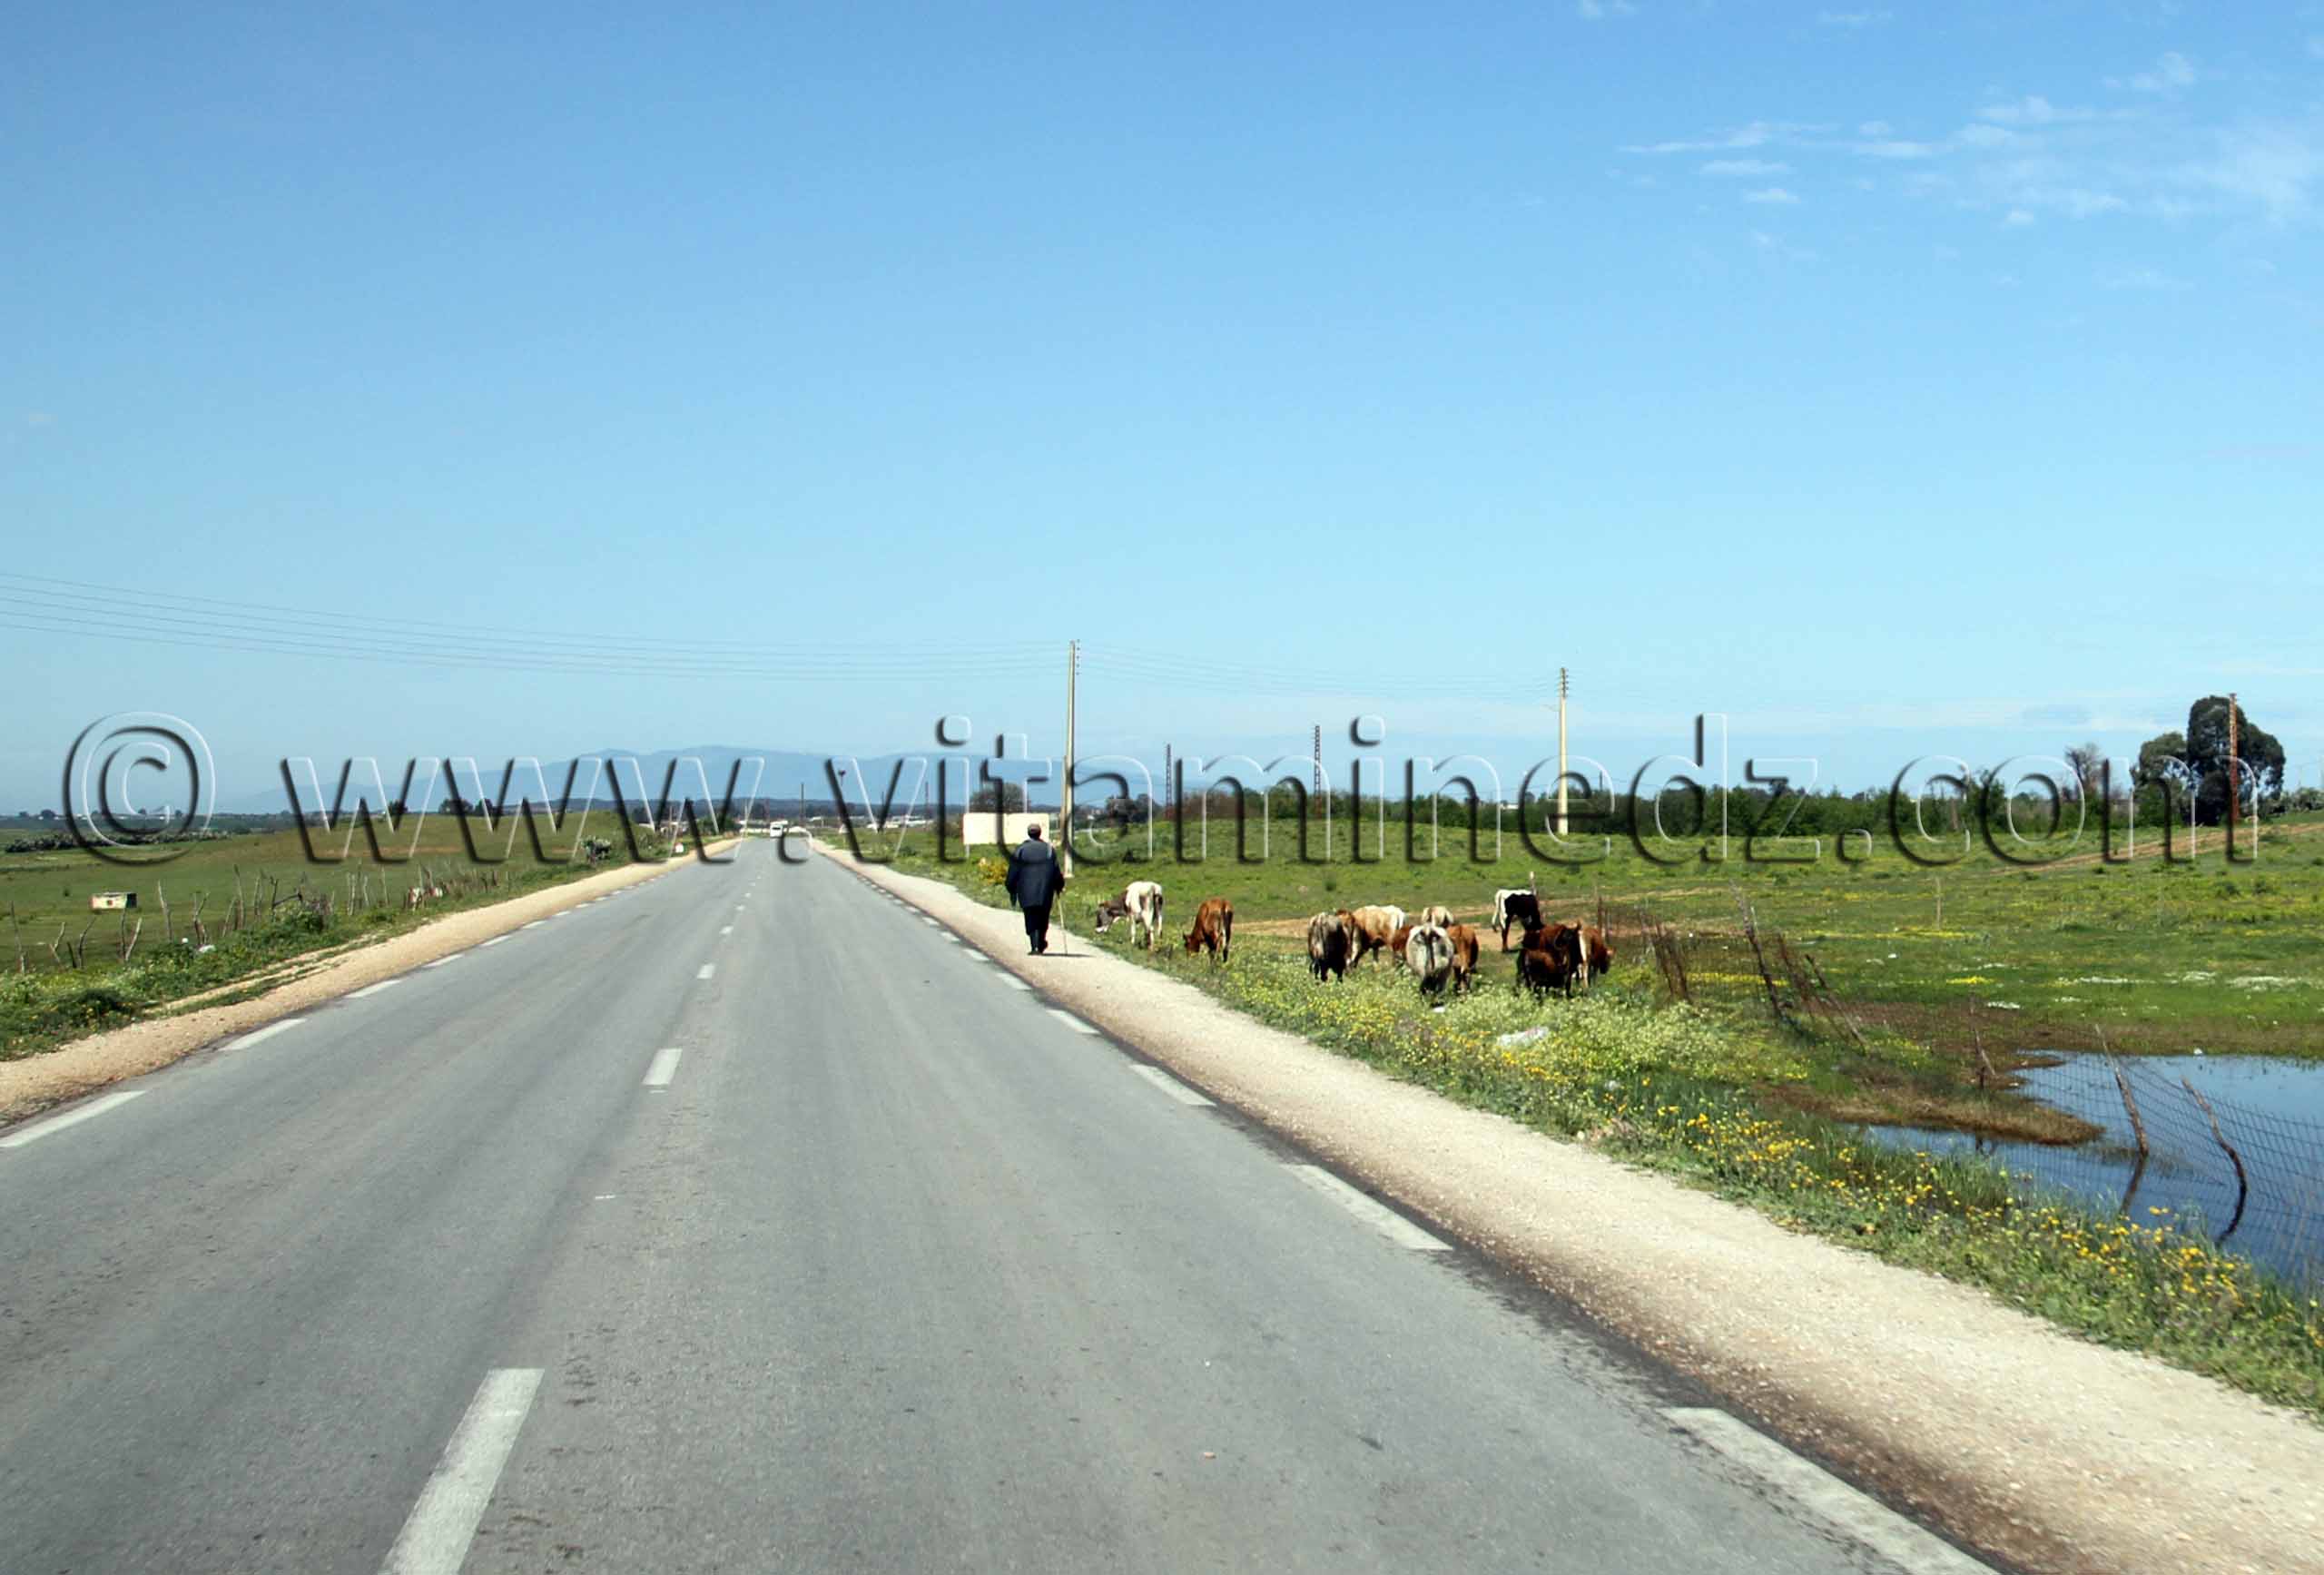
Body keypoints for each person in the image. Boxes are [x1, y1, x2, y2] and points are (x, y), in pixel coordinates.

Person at [1004, 822, 1067, 954]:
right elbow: (1056, 871)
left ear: (1028, 834)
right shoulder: (1049, 849)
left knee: (1031, 917)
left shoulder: (1021, 850)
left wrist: (1011, 886)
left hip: (1026, 891)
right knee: (1043, 917)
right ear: (1040, 834)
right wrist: (1059, 885)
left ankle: (1035, 946)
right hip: (1045, 890)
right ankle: (1040, 943)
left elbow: (1013, 871)